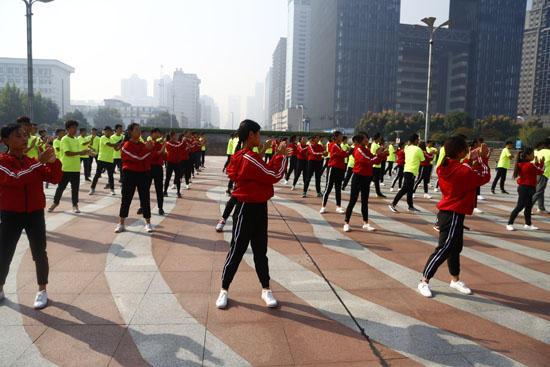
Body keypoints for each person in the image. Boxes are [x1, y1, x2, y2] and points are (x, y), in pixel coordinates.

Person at [215, 120, 288, 309]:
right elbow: (272, 175)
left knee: (260, 251)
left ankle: (266, 288)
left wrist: (264, 154)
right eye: (258, 134)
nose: (260, 138)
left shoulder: (243, 156)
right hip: (246, 209)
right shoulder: (248, 158)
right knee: (237, 250)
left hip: (258, 207)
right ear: (251, 135)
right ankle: (224, 290)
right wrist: (280, 156)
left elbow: (259, 171)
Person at [417, 136, 490, 298]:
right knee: (444, 249)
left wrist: (469, 160)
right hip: (453, 214)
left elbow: (464, 170)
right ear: (462, 152)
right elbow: (483, 177)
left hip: (450, 213)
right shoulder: (461, 170)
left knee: (454, 249)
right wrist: (483, 159)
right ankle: (424, 281)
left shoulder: (447, 165)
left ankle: (454, 279)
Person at [0, 123, 62, 309]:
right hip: (11, 214)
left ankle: (42, 290)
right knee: (5, 252)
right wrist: (39, 162)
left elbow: (54, 178)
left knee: (39, 252)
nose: (24, 138)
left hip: (35, 213)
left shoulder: (31, 161)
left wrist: (52, 161)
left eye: (25, 135)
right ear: (6, 140)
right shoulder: (3, 161)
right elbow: (16, 178)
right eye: (18, 136)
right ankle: (1, 287)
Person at [115, 123, 156, 233]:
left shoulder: (142, 145)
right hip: (130, 174)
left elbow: (149, 157)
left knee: (145, 199)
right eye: (137, 130)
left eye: (140, 130)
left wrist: (150, 149)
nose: (139, 132)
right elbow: (138, 157)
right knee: (126, 199)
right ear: (130, 132)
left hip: (143, 174)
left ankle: (148, 223)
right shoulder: (126, 146)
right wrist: (147, 150)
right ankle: (121, 223)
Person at [343, 134, 385, 232]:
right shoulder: (358, 149)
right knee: (353, 200)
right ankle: (346, 222)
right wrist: (378, 155)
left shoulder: (366, 149)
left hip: (366, 178)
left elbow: (376, 161)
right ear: (361, 140)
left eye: (367, 138)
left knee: (365, 201)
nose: (367, 140)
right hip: (358, 177)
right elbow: (369, 161)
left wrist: (380, 154)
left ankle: (365, 223)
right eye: (365, 138)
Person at [49, 120, 92, 213]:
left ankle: (75, 205)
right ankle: (55, 203)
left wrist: (88, 152)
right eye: (73, 128)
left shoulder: (76, 140)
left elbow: (79, 151)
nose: (75, 130)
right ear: (68, 129)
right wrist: (81, 152)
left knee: (75, 188)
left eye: (76, 128)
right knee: (61, 187)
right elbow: (68, 153)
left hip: (76, 168)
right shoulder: (65, 139)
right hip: (66, 167)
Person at [507, 148, 545, 230]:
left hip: (528, 187)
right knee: (520, 206)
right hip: (525, 187)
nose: (533, 156)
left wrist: (537, 163)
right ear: (527, 155)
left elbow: (535, 169)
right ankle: (510, 223)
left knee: (528, 206)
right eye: (532, 154)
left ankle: (528, 223)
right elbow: (540, 171)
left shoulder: (523, 163)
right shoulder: (528, 165)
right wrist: (542, 163)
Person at [389, 134, 425, 213]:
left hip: (407, 170)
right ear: (415, 140)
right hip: (411, 171)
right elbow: (423, 160)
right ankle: (393, 204)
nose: (418, 141)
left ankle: (410, 206)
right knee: (405, 189)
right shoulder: (418, 149)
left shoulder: (406, 148)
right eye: (418, 140)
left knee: (410, 190)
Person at [320, 131, 352, 214]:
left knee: (338, 188)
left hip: (340, 168)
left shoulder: (339, 146)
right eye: (341, 136)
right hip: (333, 168)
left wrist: (348, 151)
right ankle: (323, 206)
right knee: (328, 187)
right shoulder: (333, 145)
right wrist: (349, 151)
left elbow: (344, 154)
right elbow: (343, 154)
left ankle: (338, 206)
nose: (342, 138)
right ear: (336, 137)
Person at [139, 128, 166, 216]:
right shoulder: (147, 144)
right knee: (145, 188)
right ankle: (143, 206)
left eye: (158, 133)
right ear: (151, 134)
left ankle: (160, 207)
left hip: (158, 168)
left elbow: (165, 156)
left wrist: (164, 152)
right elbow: (153, 155)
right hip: (149, 167)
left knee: (159, 188)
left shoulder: (159, 144)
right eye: (155, 133)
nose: (157, 134)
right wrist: (162, 149)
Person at [89, 126, 121, 196]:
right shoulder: (103, 138)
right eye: (111, 131)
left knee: (110, 175)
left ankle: (112, 190)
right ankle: (92, 188)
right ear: (106, 131)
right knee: (97, 174)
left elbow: (116, 149)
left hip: (110, 160)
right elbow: (110, 145)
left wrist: (121, 145)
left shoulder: (111, 139)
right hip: (102, 159)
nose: (112, 133)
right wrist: (119, 143)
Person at [163, 131, 184, 198]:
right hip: (170, 162)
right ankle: (165, 191)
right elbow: (177, 147)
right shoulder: (168, 143)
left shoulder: (177, 142)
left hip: (177, 162)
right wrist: (183, 142)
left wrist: (185, 142)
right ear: (171, 136)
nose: (176, 137)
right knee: (168, 177)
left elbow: (181, 146)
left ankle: (178, 192)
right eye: (175, 135)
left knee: (178, 178)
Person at [532, 138, 550, 214]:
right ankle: (527, 207)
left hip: (537, 173)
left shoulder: (539, 152)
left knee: (540, 191)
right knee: (539, 191)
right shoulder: (549, 152)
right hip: (544, 173)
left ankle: (541, 207)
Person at [370, 133, 386, 198]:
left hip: (377, 164)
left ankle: (378, 193)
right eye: (379, 138)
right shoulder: (375, 145)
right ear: (377, 138)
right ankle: (378, 193)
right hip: (375, 165)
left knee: (376, 180)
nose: (380, 139)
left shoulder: (376, 145)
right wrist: (385, 152)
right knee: (375, 180)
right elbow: (378, 154)